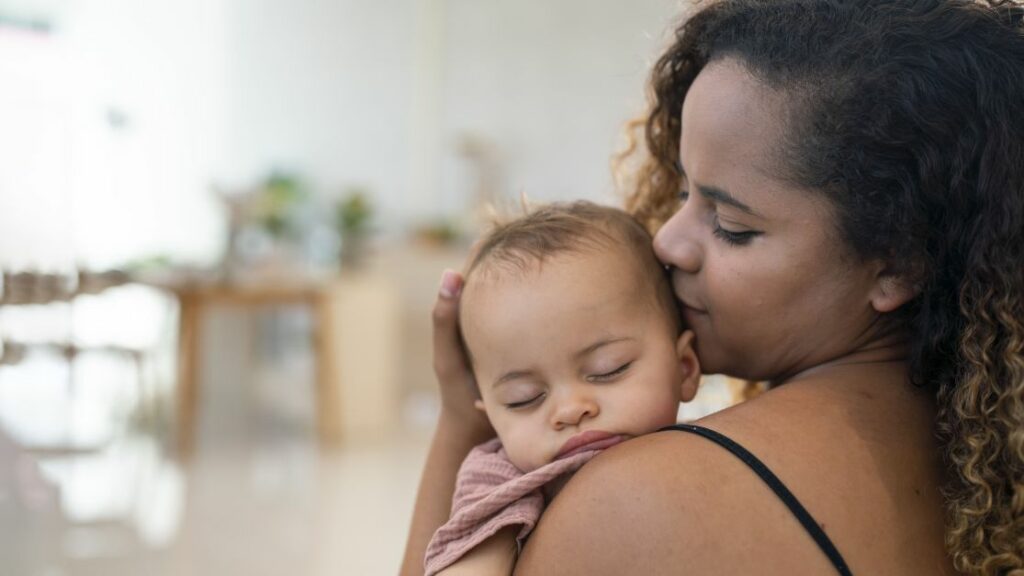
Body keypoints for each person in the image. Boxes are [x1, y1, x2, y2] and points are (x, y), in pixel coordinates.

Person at [401, 0, 1024, 574]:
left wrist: (461, 425)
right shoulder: (989, 472)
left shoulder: (636, 503)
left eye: (730, 226)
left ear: (899, 264)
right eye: (681, 191)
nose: (668, 241)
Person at [423, 201, 700, 575]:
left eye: (608, 370)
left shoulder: (709, 448)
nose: (570, 409)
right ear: (490, 415)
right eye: (524, 399)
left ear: (683, 368)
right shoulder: (501, 481)